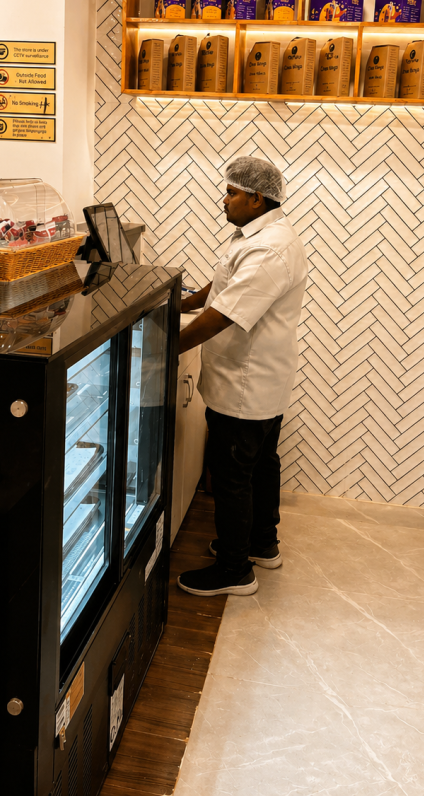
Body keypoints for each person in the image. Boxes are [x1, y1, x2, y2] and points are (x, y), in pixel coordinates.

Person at [177, 157, 308, 597]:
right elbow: (220, 290)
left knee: (233, 476)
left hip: (247, 385)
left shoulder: (270, 248)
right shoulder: (257, 236)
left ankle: (234, 571)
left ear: (256, 198)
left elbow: (223, 315)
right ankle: (260, 545)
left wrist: (164, 347)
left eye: (231, 192)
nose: (224, 199)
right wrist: (178, 307)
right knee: (260, 467)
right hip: (260, 381)